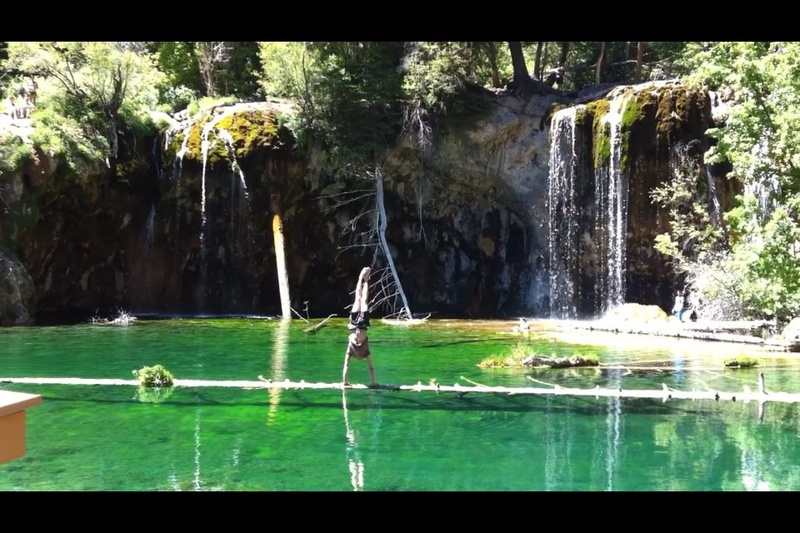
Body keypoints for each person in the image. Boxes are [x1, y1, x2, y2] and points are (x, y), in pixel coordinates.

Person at [342, 267, 377, 387]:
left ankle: (363, 278)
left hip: (357, 325)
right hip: (355, 325)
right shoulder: (356, 351)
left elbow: (347, 366)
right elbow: (370, 368)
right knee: (361, 300)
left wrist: (345, 383)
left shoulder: (360, 351)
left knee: (360, 300)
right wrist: (373, 383)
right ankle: (364, 279)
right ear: (359, 357)